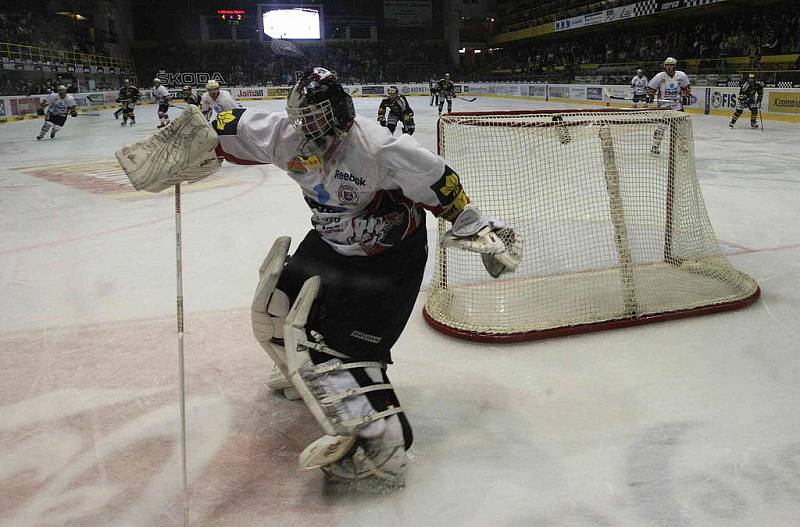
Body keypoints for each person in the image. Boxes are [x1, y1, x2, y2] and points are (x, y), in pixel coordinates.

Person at [115, 67, 522, 486]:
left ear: (342, 114)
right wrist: (190, 137)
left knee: (343, 351)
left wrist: (477, 228)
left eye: (317, 119)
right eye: (303, 120)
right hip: (330, 241)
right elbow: (225, 124)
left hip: (389, 258)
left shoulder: (378, 148)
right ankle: (301, 371)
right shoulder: (286, 135)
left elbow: (440, 182)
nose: (308, 131)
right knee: (276, 307)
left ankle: (383, 446)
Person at [646, 57, 691, 155]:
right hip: (664, 107)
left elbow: (686, 87)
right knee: (661, 127)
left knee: (682, 128)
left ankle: (682, 146)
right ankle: (655, 146)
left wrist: (686, 96)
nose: (669, 67)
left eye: (671, 65)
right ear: (665, 66)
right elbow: (651, 87)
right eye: (667, 65)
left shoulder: (681, 75)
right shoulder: (660, 76)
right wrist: (650, 95)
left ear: (675, 65)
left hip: (677, 107)